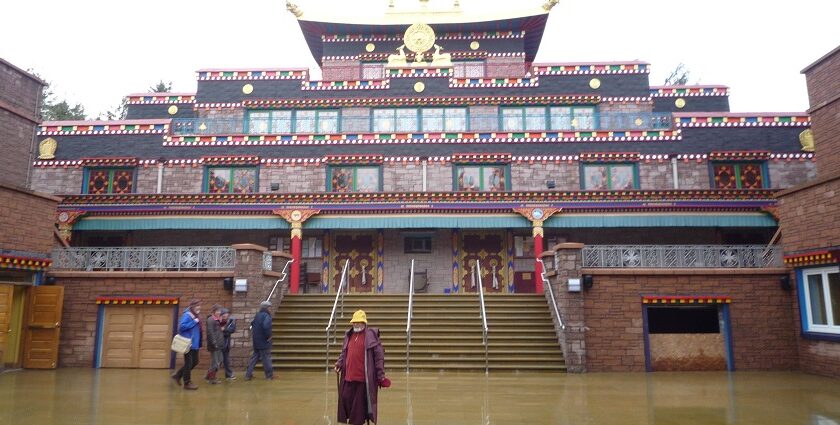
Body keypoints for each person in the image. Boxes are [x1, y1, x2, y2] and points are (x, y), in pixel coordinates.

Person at [335, 310, 390, 425]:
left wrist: (381, 376)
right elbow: (344, 352)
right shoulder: (349, 335)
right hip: (348, 378)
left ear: (364, 323)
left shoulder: (371, 336)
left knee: (357, 412)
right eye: (354, 322)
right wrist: (339, 363)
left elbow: (379, 357)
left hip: (362, 380)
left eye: (359, 322)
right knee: (345, 399)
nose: (356, 324)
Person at [171, 299, 202, 390]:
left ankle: (178, 375)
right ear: (192, 307)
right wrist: (194, 322)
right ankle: (187, 383)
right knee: (189, 363)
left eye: (199, 306)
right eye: (197, 306)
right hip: (188, 343)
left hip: (194, 343)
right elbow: (182, 327)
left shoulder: (196, 315)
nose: (199, 307)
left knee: (195, 362)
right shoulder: (187, 315)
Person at [245, 301, 274, 380]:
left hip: (256, 340)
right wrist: (268, 336)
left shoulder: (257, 315)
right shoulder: (266, 316)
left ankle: (248, 374)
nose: (270, 309)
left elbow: (252, 324)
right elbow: (266, 326)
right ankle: (269, 375)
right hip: (264, 341)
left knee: (254, 358)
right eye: (270, 307)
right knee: (266, 358)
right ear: (267, 308)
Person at [204, 304, 225, 384]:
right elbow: (210, 332)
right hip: (214, 344)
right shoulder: (211, 320)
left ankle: (208, 375)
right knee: (215, 362)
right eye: (217, 311)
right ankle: (212, 379)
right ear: (213, 311)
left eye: (220, 311)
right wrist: (214, 342)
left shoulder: (218, 320)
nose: (219, 312)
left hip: (219, 343)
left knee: (220, 360)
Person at [220, 308, 237, 381]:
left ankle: (228, 375)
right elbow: (217, 331)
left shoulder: (230, 321)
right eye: (224, 314)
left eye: (226, 314)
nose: (225, 315)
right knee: (217, 361)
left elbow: (232, 329)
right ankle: (210, 375)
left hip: (226, 344)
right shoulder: (219, 321)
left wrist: (225, 330)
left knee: (226, 360)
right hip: (219, 343)